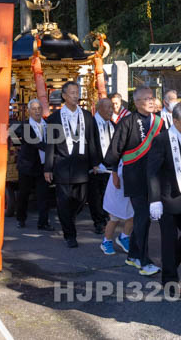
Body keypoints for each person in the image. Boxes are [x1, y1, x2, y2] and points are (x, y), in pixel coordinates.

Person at [104, 85, 164, 276]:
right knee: (143, 217)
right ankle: (143, 261)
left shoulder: (160, 122)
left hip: (154, 177)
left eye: (152, 97)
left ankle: (132, 255)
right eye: (147, 98)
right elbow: (115, 150)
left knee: (142, 218)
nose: (151, 101)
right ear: (137, 102)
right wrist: (114, 172)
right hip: (134, 176)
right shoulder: (127, 122)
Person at [148, 101, 181, 291]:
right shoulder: (161, 140)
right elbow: (152, 171)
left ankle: (169, 266)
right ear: (175, 120)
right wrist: (154, 200)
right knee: (168, 240)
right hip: (165, 198)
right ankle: (170, 280)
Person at [43, 81, 103, 248]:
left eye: (77, 92)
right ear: (64, 96)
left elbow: (93, 141)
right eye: (72, 93)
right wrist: (47, 168)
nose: (76, 95)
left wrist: (96, 162)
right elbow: (50, 146)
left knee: (80, 200)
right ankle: (70, 235)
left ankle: (69, 218)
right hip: (61, 165)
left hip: (82, 166)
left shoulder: (86, 116)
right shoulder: (54, 118)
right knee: (63, 202)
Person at [17, 98, 53, 230]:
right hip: (27, 166)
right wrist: (53, 148)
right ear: (29, 111)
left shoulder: (48, 124)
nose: (37, 111)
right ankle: (21, 218)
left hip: (43, 166)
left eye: (39, 108)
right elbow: (36, 143)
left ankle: (43, 223)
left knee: (43, 196)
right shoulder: (25, 126)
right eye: (34, 109)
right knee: (23, 195)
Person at [89, 98, 117, 235]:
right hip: (95, 168)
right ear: (99, 108)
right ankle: (98, 222)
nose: (111, 110)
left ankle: (106, 217)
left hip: (109, 167)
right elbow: (90, 145)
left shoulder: (112, 125)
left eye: (112, 107)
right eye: (108, 107)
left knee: (108, 194)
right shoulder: (91, 124)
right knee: (96, 195)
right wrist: (95, 163)